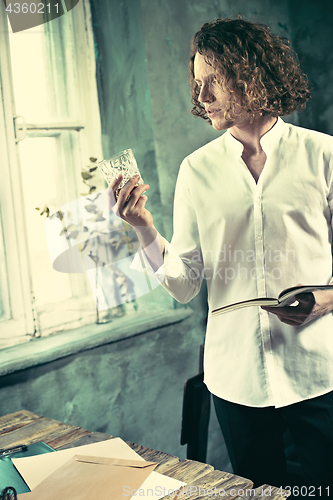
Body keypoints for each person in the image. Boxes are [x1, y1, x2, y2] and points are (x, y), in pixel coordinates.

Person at [108, 18, 333, 496]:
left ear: (250, 75)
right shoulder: (196, 171)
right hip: (235, 379)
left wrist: (324, 300)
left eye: (213, 82)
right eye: (197, 84)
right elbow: (185, 283)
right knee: (261, 492)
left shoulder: (323, 156)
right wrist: (144, 228)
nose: (201, 96)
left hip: (320, 372)